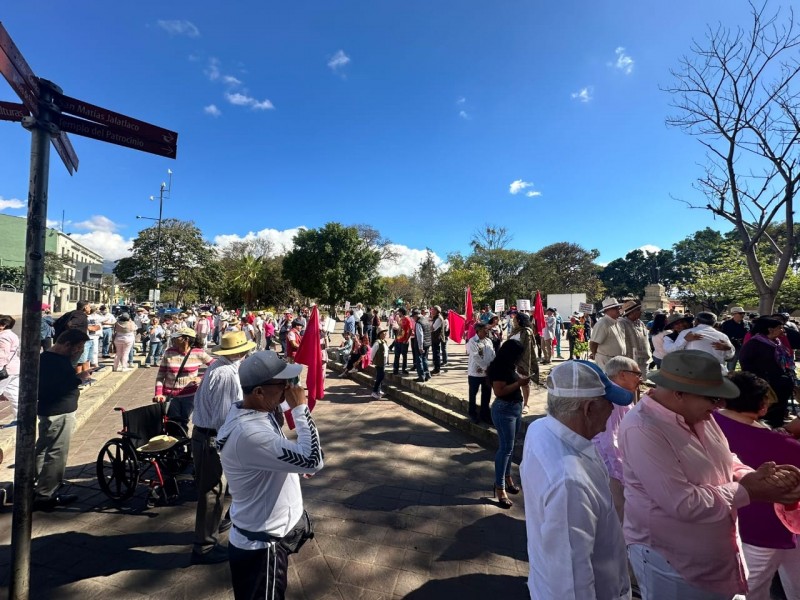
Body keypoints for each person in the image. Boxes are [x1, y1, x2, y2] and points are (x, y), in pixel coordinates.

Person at [619, 350, 800, 598]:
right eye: (713, 398)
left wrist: (755, 477)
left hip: (713, 555)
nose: (720, 405)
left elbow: (726, 458)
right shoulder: (643, 428)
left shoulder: (700, 415)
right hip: (674, 562)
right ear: (679, 394)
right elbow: (683, 503)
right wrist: (751, 490)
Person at [520, 359, 634, 599]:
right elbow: (571, 584)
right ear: (589, 408)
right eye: (609, 402)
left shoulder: (540, 428)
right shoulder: (570, 483)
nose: (613, 410)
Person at [218, 351, 324, 600]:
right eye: (282, 384)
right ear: (258, 392)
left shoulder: (257, 412)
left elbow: (293, 457)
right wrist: (300, 408)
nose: (289, 388)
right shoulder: (250, 433)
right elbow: (313, 459)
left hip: (267, 535)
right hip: (261, 549)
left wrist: (291, 464)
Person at [714, 371, 800, 599]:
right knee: (755, 588)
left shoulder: (708, 422)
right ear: (762, 406)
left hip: (723, 521)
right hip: (766, 528)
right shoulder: (783, 446)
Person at [190, 330, 256, 565]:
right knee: (212, 491)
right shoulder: (227, 373)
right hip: (213, 438)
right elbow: (223, 417)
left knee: (219, 489)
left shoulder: (220, 366)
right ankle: (204, 546)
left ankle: (214, 528)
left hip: (207, 435)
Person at [33, 329, 92, 510]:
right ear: (67, 345)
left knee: (43, 448)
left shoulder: (50, 359)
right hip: (59, 412)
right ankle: (46, 494)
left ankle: (36, 484)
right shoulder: (52, 362)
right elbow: (55, 387)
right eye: (78, 347)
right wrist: (79, 379)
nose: (80, 351)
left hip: (53, 411)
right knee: (56, 453)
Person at [592, 355, 641, 522]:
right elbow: (609, 439)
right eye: (637, 374)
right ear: (622, 374)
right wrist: (620, 473)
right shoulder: (615, 398)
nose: (640, 379)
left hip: (610, 463)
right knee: (618, 513)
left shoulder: (618, 395)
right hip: (611, 465)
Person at [487, 339, 528, 509]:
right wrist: (519, 383)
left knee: (509, 448)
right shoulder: (498, 367)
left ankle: (507, 477)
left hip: (515, 408)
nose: (520, 358)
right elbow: (499, 391)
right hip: (504, 410)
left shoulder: (510, 365)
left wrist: (522, 378)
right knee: (505, 449)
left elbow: (515, 382)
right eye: (518, 356)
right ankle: (499, 487)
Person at [739, 316, 794, 429]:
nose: (783, 330)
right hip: (765, 386)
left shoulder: (777, 343)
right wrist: (759, 380)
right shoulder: (754, 344)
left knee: (778, 414)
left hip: (780, 385)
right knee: (766, 413)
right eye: (780, 327)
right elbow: (746, 363)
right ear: (770, 330)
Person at [154, 327, 215, 430]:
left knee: (183, 422)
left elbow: (215, 366)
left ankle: (182, 443)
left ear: (186, 339)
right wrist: (158, 394)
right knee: (172, 424)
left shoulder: (198, 353)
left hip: (190, 396)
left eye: (177, 337)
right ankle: (175, 445)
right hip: (170, 396)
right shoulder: (169, 352)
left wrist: (201, 378)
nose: (173, 339)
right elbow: (160, 376)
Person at [663, 311, 734, 373]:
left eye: (682, 322)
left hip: (706, 372)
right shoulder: (669, 337)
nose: (681, 325)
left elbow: (729, 355)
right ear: (672, 327)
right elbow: (669, 350)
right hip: (683, 369)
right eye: (676, 324)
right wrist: (684, 340)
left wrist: (728, 348)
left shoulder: (721, 335)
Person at [508, 311, 539, 415]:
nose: (513, 320)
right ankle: (516, 402)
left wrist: (522, 364)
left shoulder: (526, 332)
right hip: (510, 362)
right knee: (513, 384)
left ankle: (526, 404)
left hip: (522, 362)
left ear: (519, 320)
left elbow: (527, 350)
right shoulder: (514, 331)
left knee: (524, 384)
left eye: (515, 319)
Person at [466, 322, 495, 424]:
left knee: (486, 394)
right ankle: (472, 413)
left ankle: (485, 414)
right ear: (478, 331)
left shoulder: (488, 341)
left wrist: (492, 367)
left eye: (487, 330)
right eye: (484, 330)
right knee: (473, 394)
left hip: (487, 374)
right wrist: (486, 367)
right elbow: (476, 356)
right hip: (475, 373)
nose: (486, 332)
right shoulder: (472, 341)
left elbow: (492, 355)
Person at [589, 297, 626, 368]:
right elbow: (593, 343)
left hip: (618, 360)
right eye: (615, 308)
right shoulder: (602, 323)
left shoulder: (618, 322)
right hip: (607, 360)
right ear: (607, 310)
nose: (618, 310)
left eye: (618, 307)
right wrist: (595, 355)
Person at [619, 300, 650, 376]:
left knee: (644, 381)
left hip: (644, 359)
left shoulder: (641, 323)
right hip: (630, 360)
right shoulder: (622, 323)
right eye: (638, 310)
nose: (641, 312)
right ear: (632, 312)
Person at [0, 315, 21, 424]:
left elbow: (3, 355)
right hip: (14, 369)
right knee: (14, 394)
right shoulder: (13, 335)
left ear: (2, 326)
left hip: (4, 370)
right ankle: (19, 418)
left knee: (13, 394)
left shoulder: (3, 337)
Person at [721, 306, 749, 372]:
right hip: (732, 347)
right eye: (740, 313)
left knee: (746, 366)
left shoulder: (747, 323)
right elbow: (723, 336)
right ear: (733, 314)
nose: (742, 315)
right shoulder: (726, 324)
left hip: (744, 347)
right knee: (731, 367)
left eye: (743, 313)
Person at [412, 309, 431, 383]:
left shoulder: (418, 323)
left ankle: (421, 376)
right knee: (425, 359)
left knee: (419, 360)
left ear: (416, 316)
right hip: (427, 343)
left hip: (421, 343)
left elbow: (420, 335)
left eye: (413, 317)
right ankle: (427, 374)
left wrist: (420, 347)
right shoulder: (426, 320)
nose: (413, 319)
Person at [370, 326, 390, 398]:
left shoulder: (384, 341)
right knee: (380, 377)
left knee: (381, 377)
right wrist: (371, 359)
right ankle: (374, 392)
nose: (385, 334)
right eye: (383, 333)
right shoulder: (377, 342)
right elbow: (372, 352)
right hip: (379, 362)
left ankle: (379, 390)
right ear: (380, 334)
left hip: (383, 362)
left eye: (385, 333)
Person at [393, 307, 413, 375]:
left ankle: (404, 369)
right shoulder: (401, 319)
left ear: (402, 312)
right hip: (398, 340)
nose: (398, 313)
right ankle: (396, 369)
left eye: (399, 312)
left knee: (404, 356)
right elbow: (399, 329)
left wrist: (406, 339)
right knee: (396, 355)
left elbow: (410, 330)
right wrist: (396, 338)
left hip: (404, 341)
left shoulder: (407, 319)